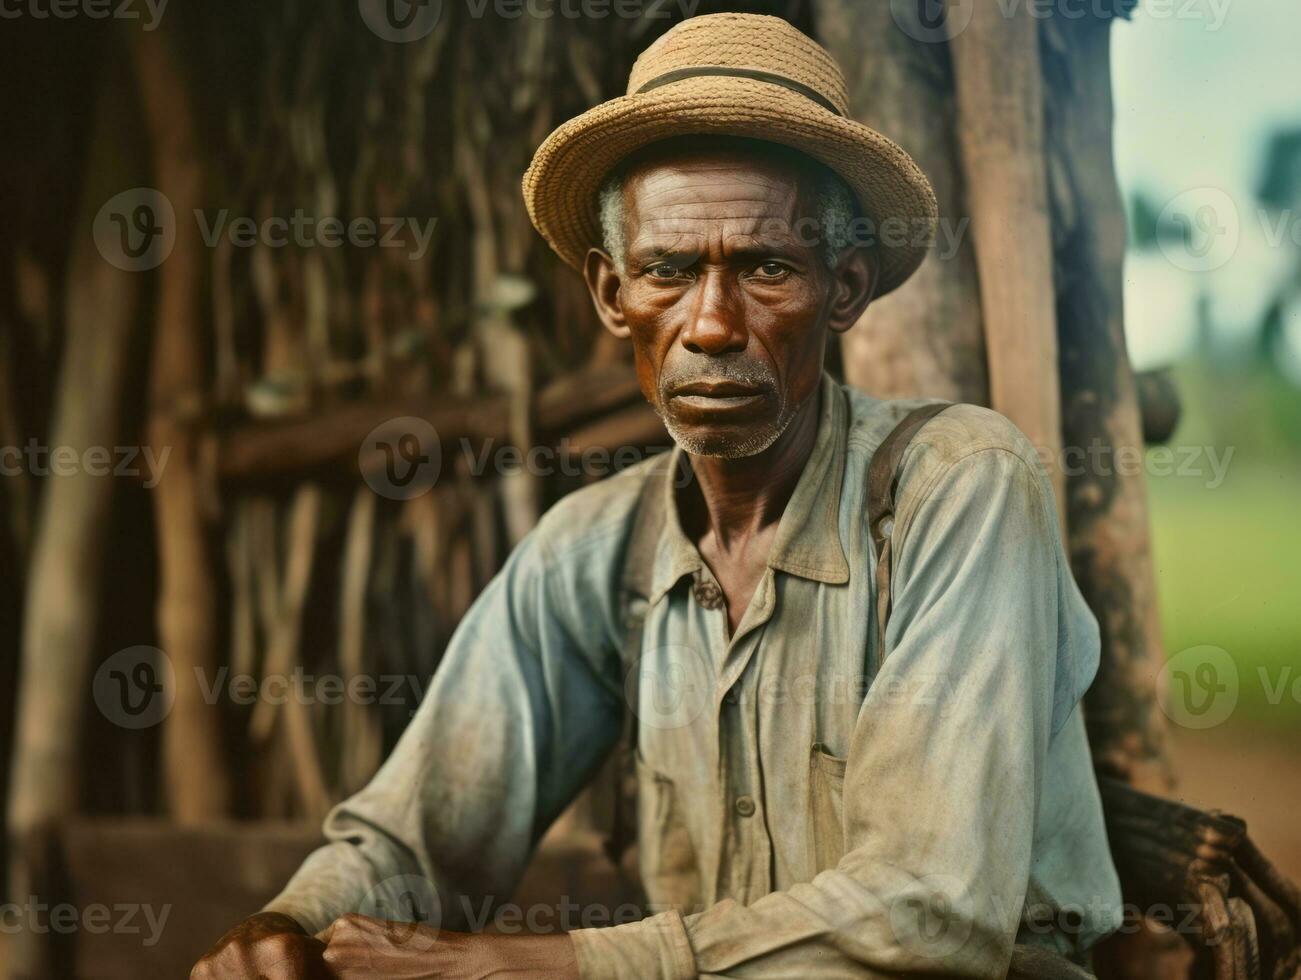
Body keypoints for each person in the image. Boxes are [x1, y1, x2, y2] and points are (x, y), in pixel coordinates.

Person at [192, 13, 1122, 979]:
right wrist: (284, 927)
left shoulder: (957, 490)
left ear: (843, 290)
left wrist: (543, 966)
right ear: (610, 294)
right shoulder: (599, 547)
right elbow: (412, 842)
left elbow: (930, 910)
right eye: (668, 272)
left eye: (766, 268)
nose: (711, 325)